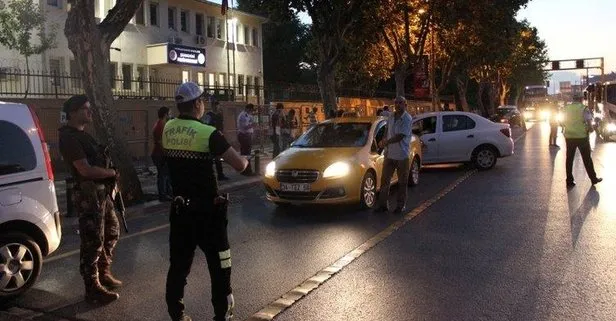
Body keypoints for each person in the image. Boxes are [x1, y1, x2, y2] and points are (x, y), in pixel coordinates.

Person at [163, 82, 249, 321]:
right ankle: (223, 315)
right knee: (221, 265)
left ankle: (177, 314)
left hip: (180, 211)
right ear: (198, 104)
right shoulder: (208, 133)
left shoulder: (168, 128)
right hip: (208, 214)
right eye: (204, 101)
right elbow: (239, 165)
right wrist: (245, 158)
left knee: (179, 266)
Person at [58, 95, 122, 304]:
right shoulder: (69, 138)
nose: (89, 112)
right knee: (92, 240)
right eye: (85, 108)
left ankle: (103, 272)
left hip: (102, 194)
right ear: (73, 112)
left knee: (112, 231)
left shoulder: (84, 135)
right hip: (88, 196)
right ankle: (92, 286)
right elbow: (84, 170)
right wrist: (110, 172)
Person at [374, 96, 413, 213]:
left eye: (400, 103)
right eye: (396, 103)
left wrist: (387, 141)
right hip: (389, 154)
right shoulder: (391, 116)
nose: (398, 105)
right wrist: (384, 139)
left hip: (402, 155)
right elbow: (387, 130)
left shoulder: (407, 118)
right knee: (385, 180)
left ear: (405, 105)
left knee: (402, 182)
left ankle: (400, 205)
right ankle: (383, 205)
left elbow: (400, 136)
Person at [562, 94, 602, 188]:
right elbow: (588, 122)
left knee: (569, 159)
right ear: (581, 99)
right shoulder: (584, 109)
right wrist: (592, 130)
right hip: (582, 137)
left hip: (569, 136)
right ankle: (593, 179)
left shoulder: (566, 108)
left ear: (573, 99)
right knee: (587, 159)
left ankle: (569, 180)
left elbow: (562, 121)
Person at [204, 101, 229, 180]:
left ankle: (220, 175)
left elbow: (222, 126)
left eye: (219, 106)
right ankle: (210, 175)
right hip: (211, 137)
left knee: (218, 157)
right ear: (213, 106)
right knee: (211, 157)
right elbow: (206, 125)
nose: (218, 107)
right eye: (217, 106)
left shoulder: (219, 115)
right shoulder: (209, 115)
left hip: (219, 137)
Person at [152, 107, 173, 201]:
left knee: (166, 174)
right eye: (169, 113)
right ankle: (163, 195)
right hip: (160, 154)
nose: (171, 115)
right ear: (165, 114)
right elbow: (160, 141)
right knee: (163, 175)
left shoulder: (160, 123)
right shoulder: (161, 125)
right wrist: (166, 153)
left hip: (160, 154)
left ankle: (168, 193)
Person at [237, 103, 255, 175]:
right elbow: (245, 127)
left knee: (245, 153)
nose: (252, 111)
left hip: (246, 136)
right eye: (251, 110)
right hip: (244, 136)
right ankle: (247, 171)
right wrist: (253, 125)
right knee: (246, 154)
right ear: (248, 109)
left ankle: (244, 170)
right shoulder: (243, 115)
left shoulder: (247, 115)